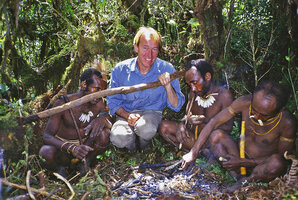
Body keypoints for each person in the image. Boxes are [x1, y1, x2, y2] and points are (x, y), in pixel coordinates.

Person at [182, 81, 297, 192]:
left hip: (261, 167)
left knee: (277, 163)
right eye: (254, 110)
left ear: (280, 110)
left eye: (264, 115)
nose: (256, 117)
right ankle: (237, 177)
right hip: (237, 160)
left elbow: (284, 158)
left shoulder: (287, 123)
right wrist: (193, 152)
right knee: (216, 135)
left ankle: (245, 182)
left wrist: (245, 162)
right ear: (252, 98)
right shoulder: (245, 103)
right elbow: (213, 122)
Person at [106, 26, 185, 151]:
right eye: (145, 48)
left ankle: (145, 147)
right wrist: (127, 116)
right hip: (126, 113)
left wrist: (167, 85)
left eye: (154, 49)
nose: (150, 54)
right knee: (118, 138)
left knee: (146, 129)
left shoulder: (167, 69)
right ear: (136, 48)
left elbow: (176, 106)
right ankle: (132, 150)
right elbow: (112, 101)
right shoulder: (120, 69)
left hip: (152, 113)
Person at [39, 68, 111, 177]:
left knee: (105, 134)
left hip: (86, 148)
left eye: (101, 90)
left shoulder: (99, 103)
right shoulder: (63, 103)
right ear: (83, 85)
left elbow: (109, 121)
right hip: (63, 151)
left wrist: (102, 119)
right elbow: (47, 136)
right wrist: (72, 148)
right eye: (96, 89)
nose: (99, 95)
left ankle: (85, 164)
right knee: (45, 152)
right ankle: (60, 170)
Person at [159, 59, 234, 155]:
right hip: (193, 141)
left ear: (207, 77)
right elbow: (186, 116)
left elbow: (228, 128)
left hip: (213, 144)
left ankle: (204, 154)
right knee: (164, 127)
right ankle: (196, 152)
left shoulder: (224, 95)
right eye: (189, 84)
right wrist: (182, 125)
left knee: (217, 136)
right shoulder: (193, 93)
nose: (193, 88)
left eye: (194, 82)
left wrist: (206, 121)